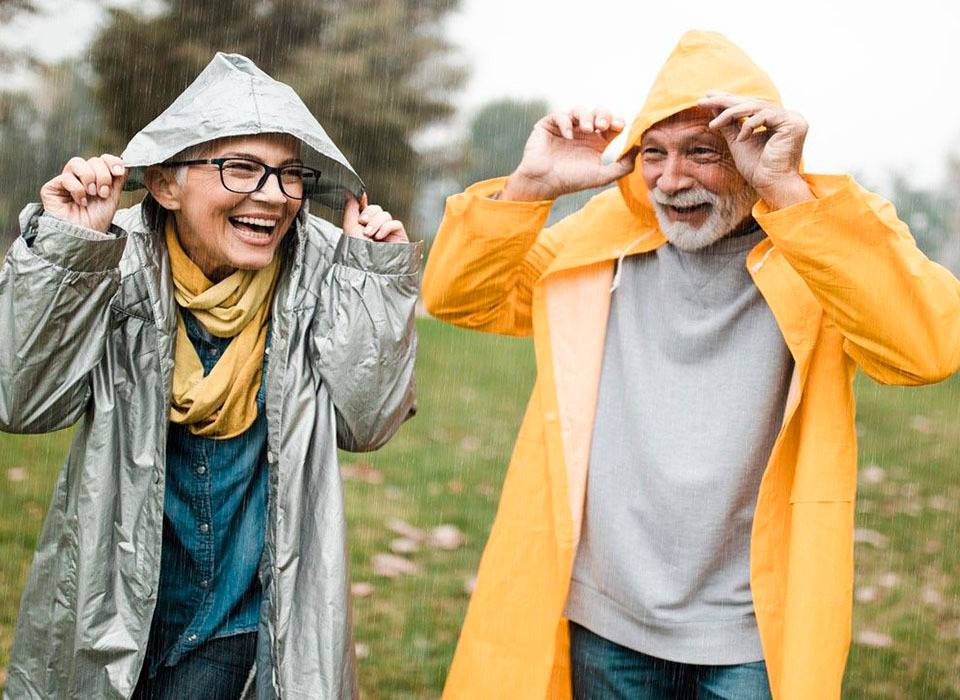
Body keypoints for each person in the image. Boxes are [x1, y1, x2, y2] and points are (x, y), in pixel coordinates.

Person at [421, 30, 960, 700]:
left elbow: (924, 350)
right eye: (654, 153)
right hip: (606, 616)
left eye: (702, 152)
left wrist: (787, 191)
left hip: (749, 633)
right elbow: (460, 298)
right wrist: (531, 186)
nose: (672, 180)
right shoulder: (602, 237)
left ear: (750, 148)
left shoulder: (823, 236)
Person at [0, 52, 420, 700]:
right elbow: (23, 400)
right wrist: (67, 254)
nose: (273, 196)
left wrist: (376, 285)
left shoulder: (320, 274)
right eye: (242, 168)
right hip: (116, 608)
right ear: (166, 183)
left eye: (288, 174)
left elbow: (367, 424)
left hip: (238, 625)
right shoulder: (114, 264)